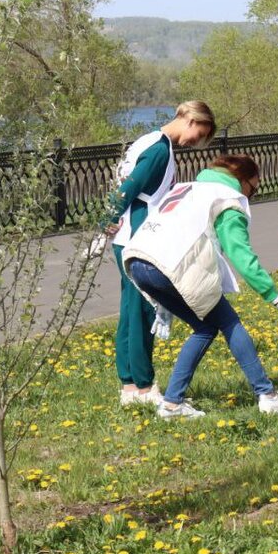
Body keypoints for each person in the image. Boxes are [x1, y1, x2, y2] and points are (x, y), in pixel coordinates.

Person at [123, 154, 278, 418]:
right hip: (170, 266)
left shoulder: (190, 187)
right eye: (254, 188)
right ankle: (267, 395)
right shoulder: (227, 201)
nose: (252, 194)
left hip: (138, 261)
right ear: (242, 181)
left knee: (206, 327)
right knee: (228, 322)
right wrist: (276, 298)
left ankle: (173, 403)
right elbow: (241, 255)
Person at [106, 100, 216, 408]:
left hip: (128, 235)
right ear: (191, 121)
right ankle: (142, 386)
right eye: (200, 135)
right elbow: (131, 187)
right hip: (137, 236)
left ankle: (129, 385)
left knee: (131, 308)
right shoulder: (159, 150)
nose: (197, 143)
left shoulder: (151, 140)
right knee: (143, 309)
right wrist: (108, 219)